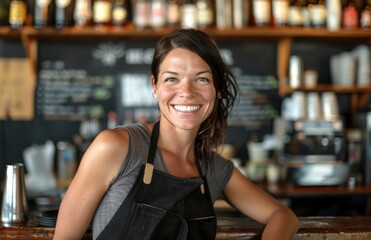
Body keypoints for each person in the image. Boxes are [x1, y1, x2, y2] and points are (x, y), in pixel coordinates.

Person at [53, 28, 299, 240]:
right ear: (155, 87)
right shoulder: (115, 147)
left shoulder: (213, 169)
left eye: (202, 79)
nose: (186, 92)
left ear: (217, 89)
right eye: (172, 79)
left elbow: (283, 215)